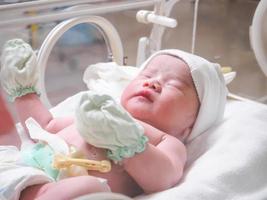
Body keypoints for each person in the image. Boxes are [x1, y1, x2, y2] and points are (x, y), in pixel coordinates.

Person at [0, 39, 227, 200]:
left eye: (174, 85)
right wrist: (24, 91)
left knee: (87, 186)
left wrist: (130, 143)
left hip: (64, 190)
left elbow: (163, 178)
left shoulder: (167, 141)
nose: (153, 82)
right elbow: (44, 127)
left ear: (190, 126)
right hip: (21, 173)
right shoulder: (94, 112)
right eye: (147, 75)